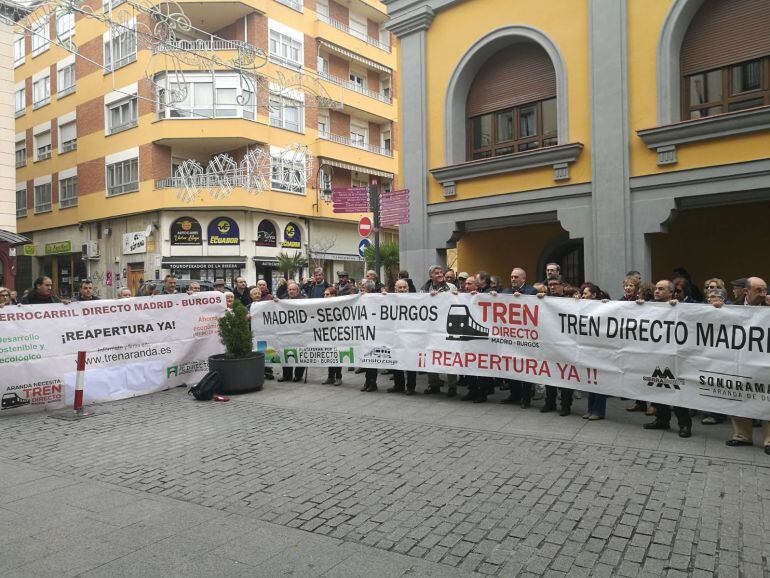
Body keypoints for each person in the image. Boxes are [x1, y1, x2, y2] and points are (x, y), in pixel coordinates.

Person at [639, 280, 693, 438]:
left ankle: (684, 424)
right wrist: (637, 305)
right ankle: (662, 419)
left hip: (674, 356)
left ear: (671, 292)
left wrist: (678, 306)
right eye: (656, 289)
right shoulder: (649, 307)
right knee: (658, 388)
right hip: (656, 354)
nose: (656, 291)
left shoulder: (678, 307)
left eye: (661, 289)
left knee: (676, 390)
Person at [723, 277, 769, 455]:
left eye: (764, 290)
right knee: (738, 394)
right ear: (746, 291)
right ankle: (742, 435)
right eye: (758, 290)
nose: (763, 294)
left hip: (765, 360)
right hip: (740, 359)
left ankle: (769, 440)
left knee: (767, 397)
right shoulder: (733, 306)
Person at [499, 268, 538, 408]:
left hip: (525, 337)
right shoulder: (505, 292)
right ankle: (514, 394)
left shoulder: (531, 291)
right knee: (511, 366)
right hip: (509, 336)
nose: (513, 279)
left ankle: (526, 397)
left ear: (523, 279)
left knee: (525, 368)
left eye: (516, 277)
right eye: (511, 277)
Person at [580, 283, 607, 421]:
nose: (583, 296)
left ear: (594, 295)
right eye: (582, 293)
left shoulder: (603, 306)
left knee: (599, 380)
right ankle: (591, 408)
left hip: (600, 350)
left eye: (585, 293)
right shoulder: (581, 307)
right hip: (588, 349)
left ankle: (599, 410)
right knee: (591, 380)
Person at [386, 279, 417, 395]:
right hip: (395, 335)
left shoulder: (416, 300)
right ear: (395, 289)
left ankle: (411, 387)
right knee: (395, 359)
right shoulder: (390, 299)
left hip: (410, 335)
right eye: (400, 288)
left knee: (410, 361)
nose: (403, 290)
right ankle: (398, 385)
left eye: (405, 287)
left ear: (408, 289)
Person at [277, 282, 306, 383]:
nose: (291, 291)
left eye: (294, 289)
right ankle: (287, 375)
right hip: (287, 331)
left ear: (298, 291)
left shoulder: (304, 300)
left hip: (300, 331)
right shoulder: (283, 300)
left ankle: (298, 375)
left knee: (300, 352)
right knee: (286, 352)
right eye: (290, 290)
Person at [321, 286, 343, 386]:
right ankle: (330, 376)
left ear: (334, 295)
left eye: (327, 294)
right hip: (327, 333)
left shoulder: (340, 304)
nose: (325, 296)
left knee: (337, 355)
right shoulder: (322, 305)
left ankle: (338, 377)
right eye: (324, 294)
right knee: (329, 354)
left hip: (338, 333)